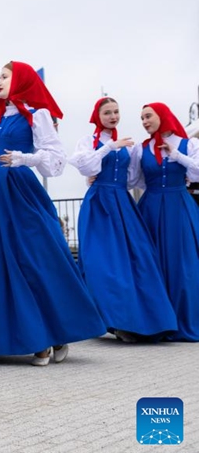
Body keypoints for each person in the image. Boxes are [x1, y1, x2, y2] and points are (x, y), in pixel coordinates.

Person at [0, 61, 106, 365]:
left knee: (35, 258)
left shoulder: (38, 116)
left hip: (19, 190)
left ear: (21, 80)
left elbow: (55, 161)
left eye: (4, 76)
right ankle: (13, 334)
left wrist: (22, 158)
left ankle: (54, 331)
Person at [70, 98, 177, 342]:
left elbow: (135, 179)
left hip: (122, 203)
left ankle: (139, 321)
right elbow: (84, 165)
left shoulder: (131, 147)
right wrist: (109, 148)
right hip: (98, 204)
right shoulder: (88, 142)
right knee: (99, 263)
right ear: (97, 116)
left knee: (138, 260)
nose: (113, 116)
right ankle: (110, 320)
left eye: (116, 112)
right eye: (107, 112)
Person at [131, 102, 199, 341]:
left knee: (183, 265)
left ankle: (184, 321)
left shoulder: (188, 144)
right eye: (142, 118)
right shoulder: (141, 149)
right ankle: (158, 322)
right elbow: (134, 180)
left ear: (162, 115)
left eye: (148, 116)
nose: (144, 121)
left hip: (179, 207)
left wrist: (176, 155)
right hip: (150, 207)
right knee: (152, 264)